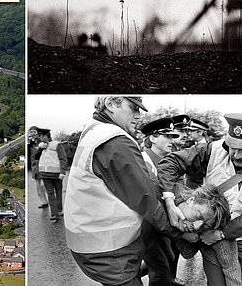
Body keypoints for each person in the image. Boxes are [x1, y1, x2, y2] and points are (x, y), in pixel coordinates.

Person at [64, 96, 192, 286]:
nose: (139, 116)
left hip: (92, 241)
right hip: (109, 250)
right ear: (111, 104)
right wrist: (183, 233)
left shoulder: (94, 129)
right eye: (133, 108)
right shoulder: (115, 141)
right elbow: (145, 200)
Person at [158, 113, 242, 286]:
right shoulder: (211, 150)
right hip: (209, 237)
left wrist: (223, 233)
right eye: (233, 147)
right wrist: (170, 201)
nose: (237, 155)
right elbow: (170, 163)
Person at [140, 118, 183, 286]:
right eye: (167, 136)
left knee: (168, 258)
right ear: (152, 138)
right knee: (160, 268)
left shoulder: (170, 161)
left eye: (173, 137)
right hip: (146, 225)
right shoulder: (144, 161)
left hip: (160, 224)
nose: (172, 141)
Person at [37, 130, 70, 221]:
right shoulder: (41, 146)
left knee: (58, 192)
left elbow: (63, 158)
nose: (40, 138)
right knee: (50, 194)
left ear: (47, 136)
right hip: (45, 174)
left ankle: (59, 210)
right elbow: (35, 157)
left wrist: (62, 172)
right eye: (40, 136)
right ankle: (54, 214)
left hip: (57, 174)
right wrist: (39, 149)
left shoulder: (57, 145)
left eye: (42, 136)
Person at [28, 126, 50, 209]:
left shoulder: (41, 141)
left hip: (43, 163)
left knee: (44, 185)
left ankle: (52, 200)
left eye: (34, 132)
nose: (33, 133)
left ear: (37, 133)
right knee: (38, 186)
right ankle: (44, 202)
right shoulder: (30, 142)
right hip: (34, 165)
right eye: (31, 132)